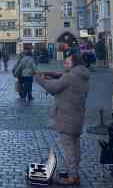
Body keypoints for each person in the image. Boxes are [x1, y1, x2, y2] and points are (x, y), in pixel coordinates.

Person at [35, 54, 90, 186]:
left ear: (74, 64)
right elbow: (64, 83)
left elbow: (53, 88)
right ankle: (74, 172)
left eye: (67, 62)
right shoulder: (82, 76)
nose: (64, 64)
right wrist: (54, 76)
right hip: (77, 117)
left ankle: (73, 176)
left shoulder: (70, 77)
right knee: (75, 147)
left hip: (66, 117)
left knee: (69, 149)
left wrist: (39, 79)